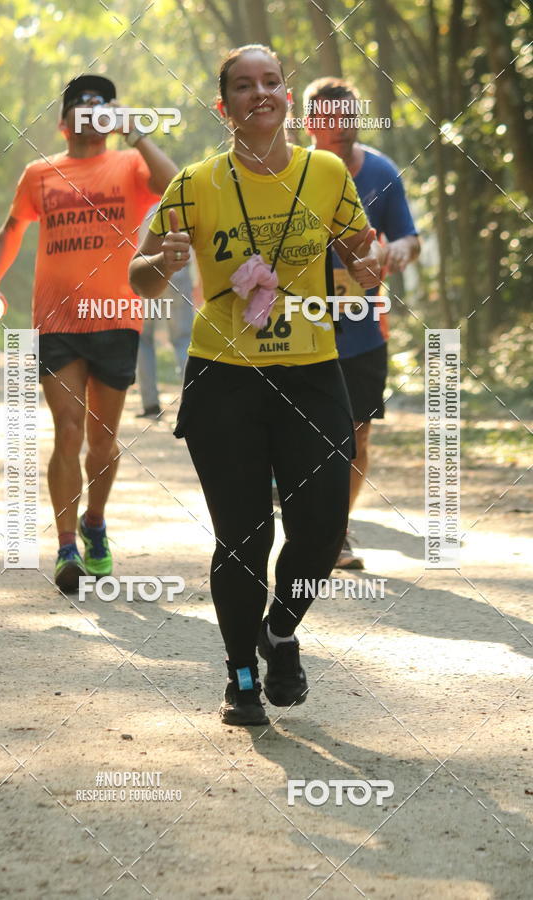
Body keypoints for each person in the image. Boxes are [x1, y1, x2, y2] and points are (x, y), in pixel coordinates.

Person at [129, 45, 383, 726]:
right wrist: (162, 259)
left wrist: (371, 262)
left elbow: (365, 252)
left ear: (287, 97)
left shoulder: (325, 172)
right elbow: (138, 277)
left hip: (311, 373)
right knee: (242, 535)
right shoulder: (195, 181)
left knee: (323, 524)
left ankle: (280, 628)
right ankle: (241, 673)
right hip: (224, 379)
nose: (259, 94)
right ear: (225, 106)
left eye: (271, 82)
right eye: (244, 86)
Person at [0, 74, 177, 592]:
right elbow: (11, 228)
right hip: (58, 320)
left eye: (101, 104)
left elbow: (176, 185)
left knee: (102, 441)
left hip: (117, 314)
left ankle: (94, 524)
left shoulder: (131, 164)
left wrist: (136, 132)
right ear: (63, 122)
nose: (91, 110)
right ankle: (67, 547)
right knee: (66, 427)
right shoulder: (39, 173)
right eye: (81, 105)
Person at [304, 77, 420, 568]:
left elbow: (410, 239)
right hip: (302, 325)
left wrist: (398, 249)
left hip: (363, 325)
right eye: (332, 118)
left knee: (357, 433)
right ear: (310, 123)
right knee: (308, 435)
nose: (343, 127)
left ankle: (338, 533)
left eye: (350, 117)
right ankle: (307, 523)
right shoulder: (292, 173)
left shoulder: (381, 171)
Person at [136, 204, 195, 418]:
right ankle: (191, 402)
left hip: (148, 271)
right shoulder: (186, 203)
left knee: (144, 340)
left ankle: (150, 404)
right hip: (179, 272)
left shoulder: (147, 209)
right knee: (183, 339)